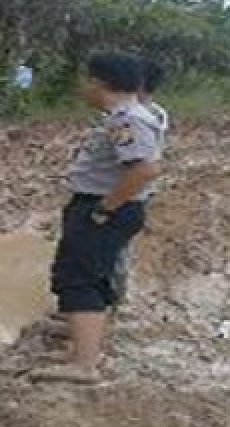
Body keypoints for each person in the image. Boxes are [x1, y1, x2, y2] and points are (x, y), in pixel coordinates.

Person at [34, 52, 162, 384]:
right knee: (88, 273)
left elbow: (144, 170)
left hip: (105, 208)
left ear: (99, 82)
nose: (83, 86)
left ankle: (84, 365)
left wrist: (105, 208)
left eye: (86, 79)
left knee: (80, 278)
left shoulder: (127, 120)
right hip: (105, 205)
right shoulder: (125, 116)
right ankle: (82, 343)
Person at [111, 58, 170, 305]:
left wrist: (108, 203)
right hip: (133, 189)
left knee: (115, 249)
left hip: (125, 191)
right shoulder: (155, 113)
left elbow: (142, 166)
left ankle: (109, 302)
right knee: (117, 248)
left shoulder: (135, 116)